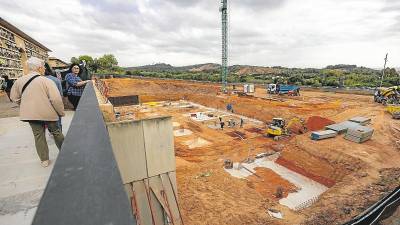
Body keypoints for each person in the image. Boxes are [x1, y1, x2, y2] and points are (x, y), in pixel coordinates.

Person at [10, 57, 65, 167]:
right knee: (56, 132)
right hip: (48, 113)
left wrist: (25, 104)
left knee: (38, 135)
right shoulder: (46, 81)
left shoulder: (19, 81)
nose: (44, 68)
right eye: (43, 66)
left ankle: (44, 160)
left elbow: (14, 98)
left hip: (31, 114)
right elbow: (56, 99)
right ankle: (65, 153)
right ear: (39, 68)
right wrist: (61, 112)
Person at [44, 62, 63, 131]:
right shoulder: (56, 80)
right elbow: (60, 95)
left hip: (41, 107)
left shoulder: (35, 80)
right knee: (57, 124)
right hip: (55, 105)